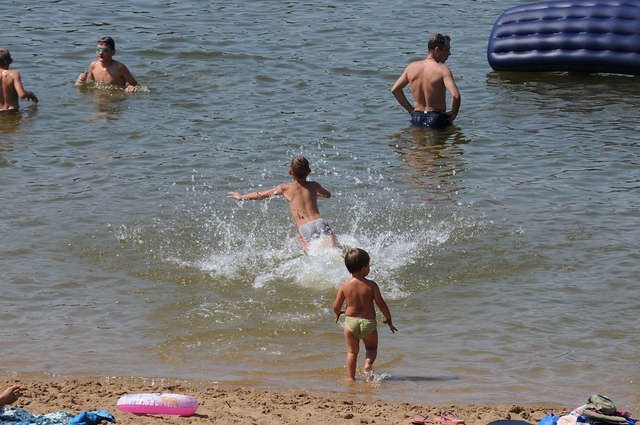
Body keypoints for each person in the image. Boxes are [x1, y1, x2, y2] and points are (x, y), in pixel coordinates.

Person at [228, 156, 337, 248]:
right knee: (334, 252)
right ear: (309, 171)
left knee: (313, 259)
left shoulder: (285, 188)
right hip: (320, 222)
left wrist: (242, 197)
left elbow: (261, 195)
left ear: (290, 172)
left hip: (304, 228)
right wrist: (314, 194)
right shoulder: (314, 185)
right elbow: (328, 195)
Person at [333, 248, 397, 382]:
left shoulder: (344, 286)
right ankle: (368, 364)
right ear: (363, 268)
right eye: (368, 265)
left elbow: (336, 306)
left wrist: (338, 313)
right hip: (368, 322)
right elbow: (382, 304)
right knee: (371, 348)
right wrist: (389, 319)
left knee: (351, 352)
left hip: (350, 323)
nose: (369, 268)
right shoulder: (371, 285)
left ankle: (351, 378)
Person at [391, 33, 460, 129]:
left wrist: (411, 111)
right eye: (447, 50)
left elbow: (395, 90)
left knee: (418, 143)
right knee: (439, 144)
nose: (449, 53)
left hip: (417, 118)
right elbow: (455, 95)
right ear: (437, 50)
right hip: (436, 118)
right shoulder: (443, 70)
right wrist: (453, 115)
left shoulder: (411, 67)